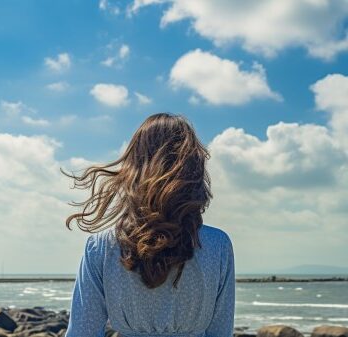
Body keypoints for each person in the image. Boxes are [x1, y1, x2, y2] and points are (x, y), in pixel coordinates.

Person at [61, 112, 235, 337]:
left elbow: (82, 332)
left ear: (134, 167)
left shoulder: (102, 246)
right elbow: (221, 332)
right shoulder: (217, 245)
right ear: (194, 169)